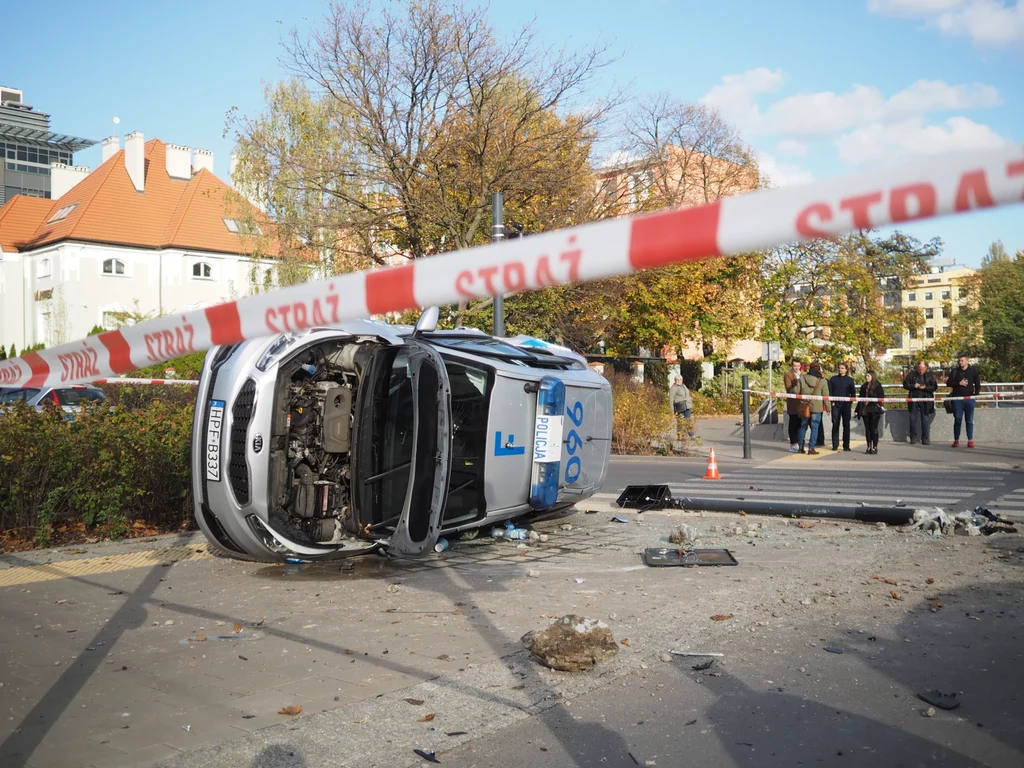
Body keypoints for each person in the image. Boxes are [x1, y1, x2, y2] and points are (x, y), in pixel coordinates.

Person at [947, 354, 981, 448]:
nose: (960, 362)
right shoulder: (955, 371)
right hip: (957, 399)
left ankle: (970, 440)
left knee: (969, 420)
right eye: (959, 361)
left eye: (962, 360)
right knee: (958, 419)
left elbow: (977, 384)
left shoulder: (973, 371)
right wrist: (959, 383)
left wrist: (976, 394)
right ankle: (956, 440)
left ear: (967, 361)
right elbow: (948, 383)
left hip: (969, 399)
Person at [797, 361, 829, 455]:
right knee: (815, 428)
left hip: (804, 406)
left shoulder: (802, 378)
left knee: (803, 426)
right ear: (818, 370)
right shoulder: (822, 380)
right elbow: (825, 395)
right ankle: (811, 448)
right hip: (817, 407)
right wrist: (828, 408)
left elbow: (796, 391)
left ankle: (801, 447)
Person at [903, 361, 937, 444]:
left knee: (925, 420)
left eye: (923, 369)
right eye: (919, 369)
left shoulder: (929, 375)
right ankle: (913, 437)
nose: (921, 371)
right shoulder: (912, 374)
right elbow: (905, 384)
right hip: (914, 399)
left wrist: (925, 388)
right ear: (917, 368)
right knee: (912, 419)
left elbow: (935, 387)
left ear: (926, 368)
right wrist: (913, 386)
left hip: (925, 400)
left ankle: (925, 438)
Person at [828, 362, 856, 451]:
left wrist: (849, 403)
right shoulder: (833, 379)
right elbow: (830, 391)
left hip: (846, 405)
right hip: (836, 405)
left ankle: (846, 445)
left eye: (842, 368)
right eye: (839, 368)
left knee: (846, 425)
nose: (840, 370)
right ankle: (835, 444)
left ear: (846, 369)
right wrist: (832, 401)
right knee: (835, 424)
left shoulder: (850, 380)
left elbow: (853, 393)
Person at [855, 370, 885, 454]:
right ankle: (868, 447)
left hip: (874, 410)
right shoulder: (864, 386)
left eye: (868, 376)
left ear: (872, 376)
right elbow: (860, 399)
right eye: (866, 376)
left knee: (873, 428)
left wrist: (874, 402)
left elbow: (881, 398)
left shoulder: (878, 386)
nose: (866, 377)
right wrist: (857, 410)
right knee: (867, 429)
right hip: (865, 410)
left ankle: (875, 447)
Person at [783, 359, 803, 453]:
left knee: (800, 424)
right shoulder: (788, 375)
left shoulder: (803, 374)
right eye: (795, 366)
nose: (797, 368)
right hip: (793, 403)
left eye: (798, 366)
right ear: (792, 366)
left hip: (802, 403)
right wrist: (798, 383)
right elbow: (789, 388)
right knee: (793, 423)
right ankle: (793, 443)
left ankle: (799, 443)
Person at [668, 376, 694, 440]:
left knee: (688, 420)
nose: (679, 381)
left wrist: (689, 398)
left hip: (686, 406)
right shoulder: (673, 388)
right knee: (680, 422)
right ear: (675, 380)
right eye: (677, 380)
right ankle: (680, 435)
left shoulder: (683, 386)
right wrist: (672, 409)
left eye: (680, 380)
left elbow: (686, 394)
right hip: (680, 407)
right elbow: (671, 399)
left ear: (682, 380)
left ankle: (691, 435)